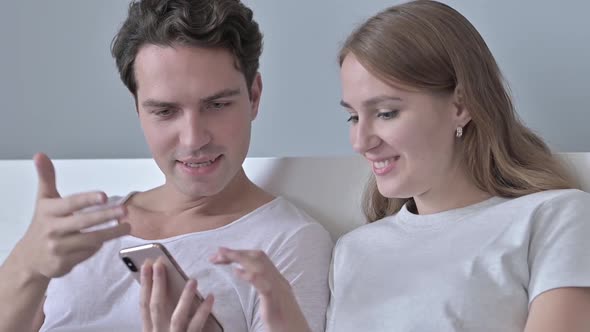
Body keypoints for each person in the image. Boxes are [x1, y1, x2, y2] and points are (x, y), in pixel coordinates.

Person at [196, 1, 590, 331]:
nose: (360, 141)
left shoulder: (554, 218)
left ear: (461, 105)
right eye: (353, 117)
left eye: (385, 113)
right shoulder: (354, 251)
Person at [0, 0, 333, 331]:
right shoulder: (74, 234)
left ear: (254, 97)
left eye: (217, 105)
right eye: (164, 111)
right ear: (138, 109)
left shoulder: (286, 244)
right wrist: (27, 265)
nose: (192, 139)